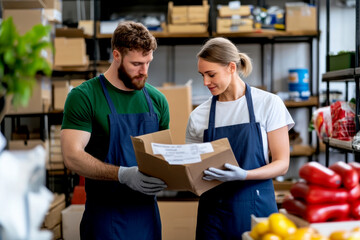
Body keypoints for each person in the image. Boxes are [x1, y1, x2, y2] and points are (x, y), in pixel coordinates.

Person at [61, 21, 170, 240]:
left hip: (147, 218)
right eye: (137, 64)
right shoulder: (84, 96)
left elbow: (162, 157)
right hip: (104, 219)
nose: (144, 71)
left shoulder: (157, 101)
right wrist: (123, 174)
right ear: (117, 56)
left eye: (148, 62)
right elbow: (71, 156)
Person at [185, 37, 295, 239]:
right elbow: (192, 167)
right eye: (202, 75)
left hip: (256, 208)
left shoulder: (269, 104)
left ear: (231, 68)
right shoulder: (199, 115)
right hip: (212, 215)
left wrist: (244, 175)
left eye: (211, 74)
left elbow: (282, 164)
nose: (205, 82)